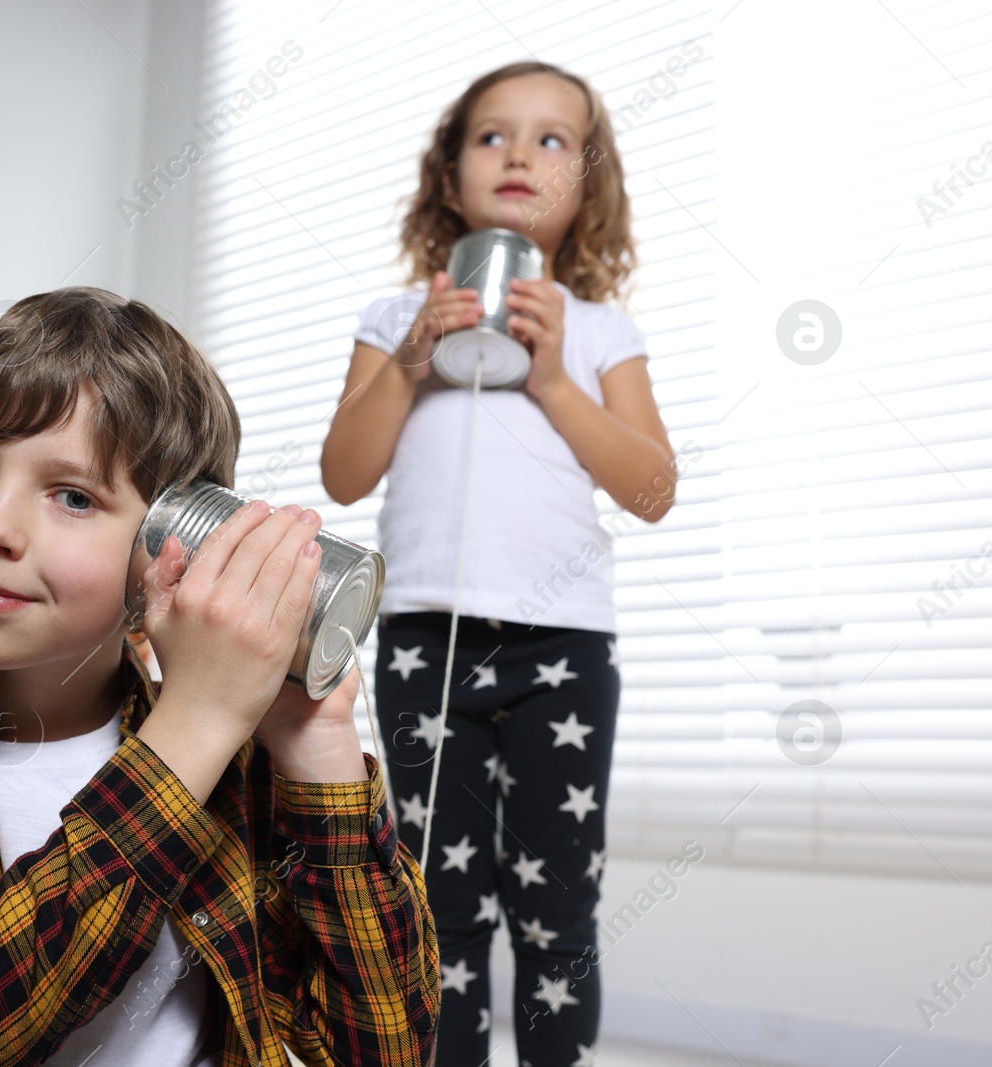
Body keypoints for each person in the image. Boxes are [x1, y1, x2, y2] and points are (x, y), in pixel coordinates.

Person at [0, 287, 440, 1067]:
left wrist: (318, 754)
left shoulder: (239, 766)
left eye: (73, 495)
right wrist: (201, 720)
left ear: (171, 550)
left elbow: (383, 1051)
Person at [319, 62, 677, 1065]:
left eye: (552, 139)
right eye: (492, 135)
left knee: (555, 897)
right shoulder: (395, 320)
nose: (520, 152)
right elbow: (344, 476)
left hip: (562, 648)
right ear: (447, 176)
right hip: (426, 638)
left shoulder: (602, 330)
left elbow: (652, 489)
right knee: (439, 899)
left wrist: (554, 375)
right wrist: (408, 364)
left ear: (586, 189)